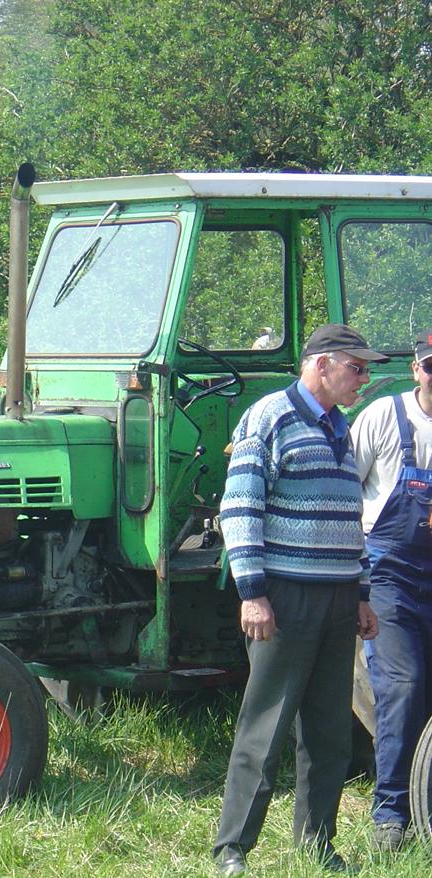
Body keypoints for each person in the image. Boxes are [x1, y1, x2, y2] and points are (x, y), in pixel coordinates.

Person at [213, 323, 384, 876]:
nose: (365, 378)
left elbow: (349, 521)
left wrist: (359, 593)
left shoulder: (341, 427)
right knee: (265, 725)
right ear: (322, 364)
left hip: (337, 601)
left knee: (330, 731)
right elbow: (240, 508)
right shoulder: (269, 418)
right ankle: (232, 849)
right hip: (285, 599)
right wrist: (254, 593)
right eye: (357, 368)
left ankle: (317, 845)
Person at [350, 331, 432, 851]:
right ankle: (392, 814)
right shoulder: (383, 417)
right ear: (418, 368)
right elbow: (341, 484)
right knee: (403, 685)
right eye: (431, 366)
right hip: (391, 576)